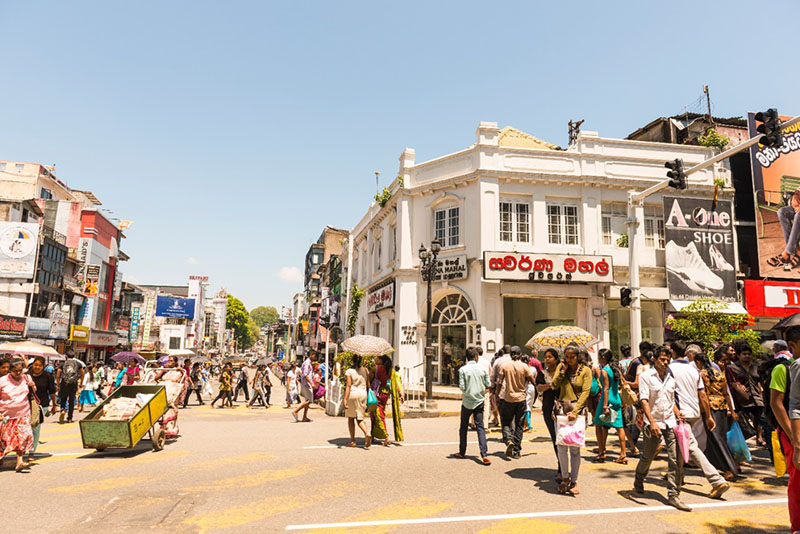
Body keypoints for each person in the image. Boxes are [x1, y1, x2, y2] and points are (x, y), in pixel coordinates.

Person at [669, 340, 730, 499]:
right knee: (680, 445)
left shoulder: (670, 369)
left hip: (680, 413)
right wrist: (708, 415)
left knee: (690, 446)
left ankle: (716, 480)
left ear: (673, 352)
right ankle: (678, 476)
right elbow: (703, 394)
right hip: (694, 412)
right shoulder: (694, 370)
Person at [634, 346, 690, 512]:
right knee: (648, 455)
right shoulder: (646, 376)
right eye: (662, 360)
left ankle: (674, 494)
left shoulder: (671, 379)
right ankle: (639, 478)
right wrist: (651, 422)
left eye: (668, 360)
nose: (666, 363)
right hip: (654, 422)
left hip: (671, 422)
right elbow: (644, 400)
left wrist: (679, 414)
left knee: (675, 459)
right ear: (654, 359)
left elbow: (670, 401)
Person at [550, 343, 592, 495]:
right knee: (561, 446)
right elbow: (554, 385)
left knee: (574, 448)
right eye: (567, 357)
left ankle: (574, 481)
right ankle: (565, 478)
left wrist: (575, 411)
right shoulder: (562, 368)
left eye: (572, 357)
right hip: (561, 411)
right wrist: (561, 372)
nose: (569, 360)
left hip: (578, 412)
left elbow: (586, 392)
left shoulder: (585, 370)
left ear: (578, 356)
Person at [694, 352, 739, 481]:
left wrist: (707, 414)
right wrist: (732, 410)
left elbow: (704, 395)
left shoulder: (702, 375)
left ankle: (729, 468)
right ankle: (714, 464)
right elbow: (726, 394)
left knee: (715, 438)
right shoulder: (719, 373)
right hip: (722, 407)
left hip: (710, 407)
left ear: (698, 362)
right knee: (718, 437)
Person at [496, 346, 535, 460]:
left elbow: (499, 382)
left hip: (508, 398)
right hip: (521, 399)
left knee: (506, 421)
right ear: (520, 355)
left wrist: (497, 395)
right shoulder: (524, 366)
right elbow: (532, 380)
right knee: (519, 424)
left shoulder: (505, 366)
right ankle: (517, 451)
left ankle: (508, 440)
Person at [453, 347, 491, 464]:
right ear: (476, 357)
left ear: (466, 358)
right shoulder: (483, 369)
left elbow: (462, 387)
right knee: (480, 427)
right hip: (479, 401)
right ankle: (484, 454)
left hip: (467, 402)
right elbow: (488, 384)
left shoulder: (463, 370)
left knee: (463, 427)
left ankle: (462, 451)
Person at [593, 348, 628, 464]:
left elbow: (606, 388)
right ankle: (623, 453)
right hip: (616, 399)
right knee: (619, 427)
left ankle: (601, 451)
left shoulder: (604, 371)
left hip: (607, 400)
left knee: (598, 424)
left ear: (602, 358)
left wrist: (604, 406)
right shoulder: (615, 369)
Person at [0, 359, 36, 471]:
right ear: (10, 371)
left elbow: (33, 392)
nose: (18, 373)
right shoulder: (2, 381)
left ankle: (20, 462)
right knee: (4, 440)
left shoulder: (27, 378)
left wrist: (33, 386)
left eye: (20, 370)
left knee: (23, 437)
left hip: (23, 413)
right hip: (6, 415)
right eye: (15, 371)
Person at [536, 348, 562, 478]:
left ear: (556, 359)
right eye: (545, 357)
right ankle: (561, 467)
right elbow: (539, 387)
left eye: (550, 357)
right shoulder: (542, 373)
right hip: (548, 409)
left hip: (563, 409)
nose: (547, 359)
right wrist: (551, 385)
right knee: (555, 438)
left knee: (563, 438)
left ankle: (564, 466)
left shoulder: (562, 371)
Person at [27, 356, 56, 462]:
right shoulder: (27, 375)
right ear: (32, 365)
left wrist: (54, 404)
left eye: (40, 365)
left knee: (35, 428)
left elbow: (52, 391)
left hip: (41, 405)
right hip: (26, 405)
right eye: (35, 365)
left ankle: (31, 452)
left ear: (43, 366)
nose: (37, 367)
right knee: (26, 428)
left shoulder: (48, 376)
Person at [343, 354, 371, 448]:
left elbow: (348, 386)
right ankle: (367, 433)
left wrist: (345, 399)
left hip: (353, 395)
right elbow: (368, 384)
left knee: (351, 418)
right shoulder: (365, 370)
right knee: (360, 418)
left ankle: (353, 441)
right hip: (363, 395)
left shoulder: (349, 371)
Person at [56, 352, 84, 423]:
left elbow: (58, 374)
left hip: (64, 384)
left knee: (63, 398)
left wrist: (58, 384)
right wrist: (81, 382)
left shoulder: (63, 364)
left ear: (66, 356)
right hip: (73, 384)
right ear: (74, 356)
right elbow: (82, 373)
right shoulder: (78, 364)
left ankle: (63, 410)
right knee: (71, 401)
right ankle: (70, 418)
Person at [490, 346, 512, 427]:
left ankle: (506, 429)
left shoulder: (497, 361)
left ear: (502, 351)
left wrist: (491, 387)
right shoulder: (515, 361)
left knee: (502, 411)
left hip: (500, 390)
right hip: (513, 390)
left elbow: (492, 376)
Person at [293, 353, 316, 422]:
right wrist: (311, 383)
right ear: (310, 355)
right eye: (314, 355)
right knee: (309, 400)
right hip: (307, 383)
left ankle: (304, 416)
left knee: (307, 400)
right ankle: (296, 411)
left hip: (306, 383)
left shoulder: (308, 363)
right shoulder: (307, 363)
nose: (314, 357)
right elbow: (305, 374)